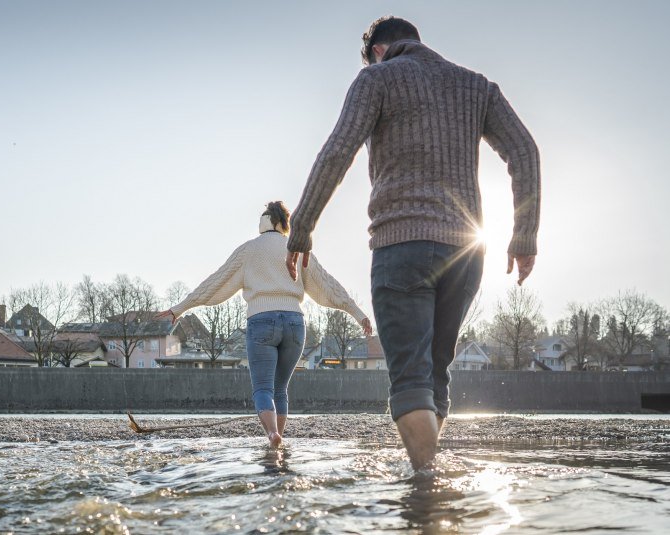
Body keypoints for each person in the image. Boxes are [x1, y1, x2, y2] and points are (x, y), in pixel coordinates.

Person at [286, 17, 540, 469]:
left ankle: (427, 487)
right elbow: (524, 151)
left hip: (402, 245)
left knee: (409, 378)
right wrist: (524, 235)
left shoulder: (376, 78)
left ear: (377, 51)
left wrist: (301, 227)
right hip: (465, 254)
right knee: (435, 373)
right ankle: (432, 484)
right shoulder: (476, 86)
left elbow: (337, 151)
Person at [157, 201, 372, 448]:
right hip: (294, 323)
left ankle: (271, 435)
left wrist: (180, 308)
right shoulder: (297, 249)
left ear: (264, 222)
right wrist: (357, 313)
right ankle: (279, 439)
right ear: (284, 223)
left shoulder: (249, 250)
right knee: (280, 388)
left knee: (262, 388)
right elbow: (327, 285)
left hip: (261, 322)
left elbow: (216, 282)